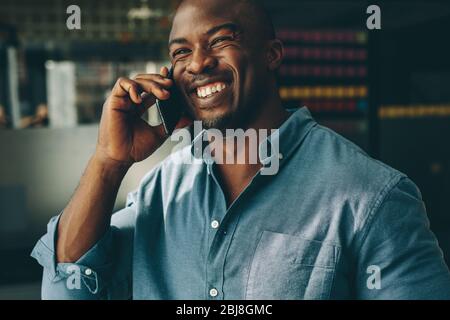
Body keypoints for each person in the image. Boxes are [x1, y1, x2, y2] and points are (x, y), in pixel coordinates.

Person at [31, 0, 450, 299]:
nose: (197, 64)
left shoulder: (372, 197)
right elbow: (69, 285)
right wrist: (109, 161)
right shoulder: (159, 193)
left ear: (272, 54)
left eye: (219, 41)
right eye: (181, 53)